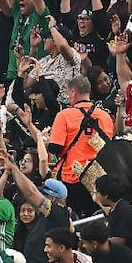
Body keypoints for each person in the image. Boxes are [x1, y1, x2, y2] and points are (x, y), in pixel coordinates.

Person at [49, 76, 115, 218]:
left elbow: (55, 148)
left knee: (74, 218)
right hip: (98, 178)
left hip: (72, 177)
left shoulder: (64, 115)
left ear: (73, 92)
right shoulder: (105, 116)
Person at [91, 175, 132, 254]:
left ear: (105, 195)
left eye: (97, 192)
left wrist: (94, 244)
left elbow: (117, 242)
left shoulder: (123, 212)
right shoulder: (115, 209)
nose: (96, 195)